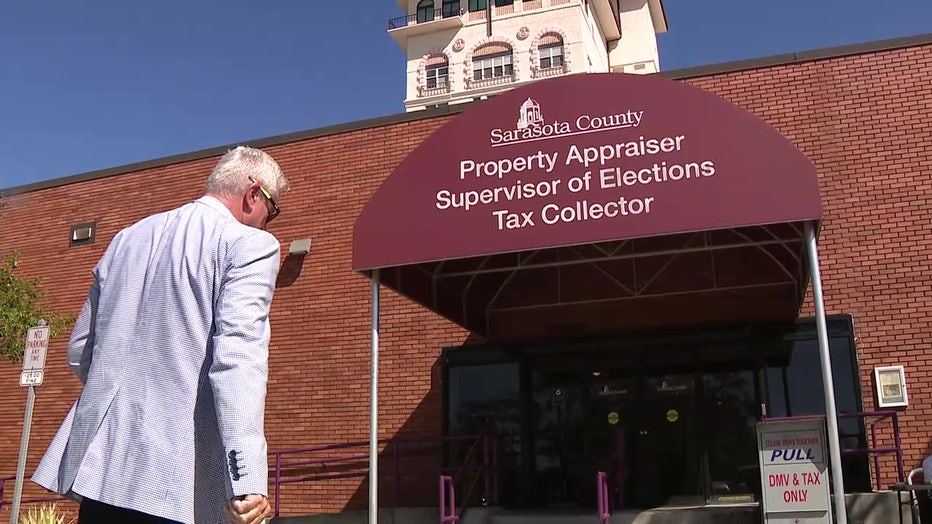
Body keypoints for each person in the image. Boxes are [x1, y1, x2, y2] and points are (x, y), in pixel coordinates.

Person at [31, 145, 289, 524]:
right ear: (254, 194)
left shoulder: (128, 239)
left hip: (100, 471)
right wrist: (247, 478)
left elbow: (81, 350)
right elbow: (237, 361)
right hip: (176, 485)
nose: (270, 221)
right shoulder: (249, 245)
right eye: (273, 208)